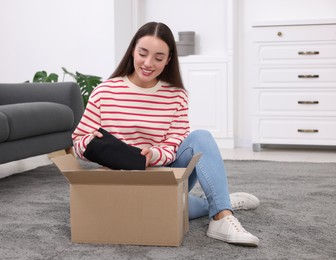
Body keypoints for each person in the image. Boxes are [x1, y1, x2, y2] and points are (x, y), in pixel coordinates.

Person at [72, 21, 260, 247]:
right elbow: (78, 142)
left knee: (201, 137)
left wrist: (153, 155)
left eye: (159, 58)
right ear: (133, 50)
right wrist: (90, 142)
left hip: (162, 174)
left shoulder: (176, 95)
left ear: (169, 59)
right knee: (172, 209)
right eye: (142, 53)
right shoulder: (104, 91)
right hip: (120, 180)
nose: (148, 63)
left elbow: (174, 144)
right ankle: (222, 200)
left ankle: (222, 216)